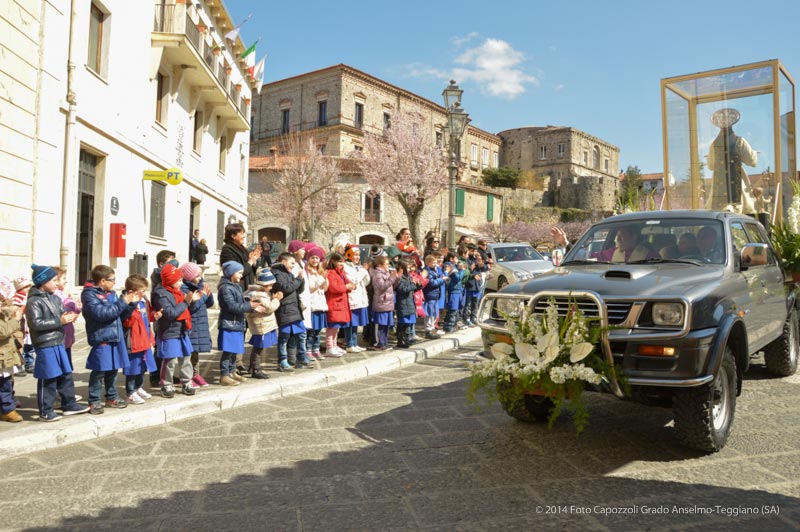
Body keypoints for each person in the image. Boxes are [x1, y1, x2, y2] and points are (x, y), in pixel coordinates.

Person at [26, 265, 89, 421]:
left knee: (65, 374)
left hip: (59, 341)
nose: (56, 283)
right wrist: (59, 321)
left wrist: (70, 316)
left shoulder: (54, 298)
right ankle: (45, 410)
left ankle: (69, 404)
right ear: (43, 282)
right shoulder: (33, 301)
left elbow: (60, 316)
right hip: (45, 343)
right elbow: (36, 323)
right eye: (53, 280)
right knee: (48, 377)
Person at [82, 264, 138, 415]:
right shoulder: (89, 295)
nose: (114, 283)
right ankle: (94, 400)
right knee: (100, 370)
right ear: (102, 281)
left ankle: (111, 396)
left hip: (115, 335)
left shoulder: (111, 293)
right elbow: (102, 314)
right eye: (112, 280)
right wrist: (122, 302)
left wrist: (130, 304)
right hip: (102, 336)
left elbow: (119, 315)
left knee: (113, 368)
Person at [153, 264, 199, 397]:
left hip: (182, 330)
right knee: (170, 360)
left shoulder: (179, 292)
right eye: (178, 280)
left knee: (186, 357)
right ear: (169, 281)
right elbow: (170, 313)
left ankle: (186, 381)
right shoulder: (161, 295)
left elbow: (186, 310)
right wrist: (186, 302)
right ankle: (166, 384)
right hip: (169, 331)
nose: (181, 282)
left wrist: (194, 301)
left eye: (181, 280)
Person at [217, 261, 262, 385]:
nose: (241, 275)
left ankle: (232, 371)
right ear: (231, 273)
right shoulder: (225, 288)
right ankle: (224, 374)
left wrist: (251, 304)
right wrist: (249, 305)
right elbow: (232, 306)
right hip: (229, 324)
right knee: (228, 351)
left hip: (237, 323)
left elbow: (240, 302)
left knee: (234, 350)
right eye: (239, 273)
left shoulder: (236, 286)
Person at [707, 108, 757, 214]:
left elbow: (711, 165)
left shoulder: (714, 144)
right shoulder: (740, 141)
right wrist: (755, 153)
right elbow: (752, 161)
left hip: (718, 188)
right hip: (737, 185)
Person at [121, 274, 159, 404]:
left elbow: (148, 317)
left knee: (143, 365)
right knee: (133, 367)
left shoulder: (144, 302)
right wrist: (132, 305)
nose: (144, 293)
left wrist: (155, 315)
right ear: (132, 292)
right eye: (142, 290)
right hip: (133, 339)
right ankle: (130, 391)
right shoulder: (126, 302)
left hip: (145, 338)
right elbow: (126, 322)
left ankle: (139, 387)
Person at [271, 252, 312, 371]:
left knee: (301, 334)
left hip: (294, 309)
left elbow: (297, 289)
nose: (293, 266)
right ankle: (283, 360)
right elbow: (286, 288)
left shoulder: (288, 273)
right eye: (292, 263)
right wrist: (298, 280)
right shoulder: (276, 273)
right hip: (285, 309)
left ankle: (301, 356)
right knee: (284, 337)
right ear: (283, 262)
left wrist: (301, 280)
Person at [179, 262, 213, 388]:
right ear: (188, 277)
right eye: (197, 276)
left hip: (201, 323)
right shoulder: (184, 289)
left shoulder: (199, 286)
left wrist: (208, 295)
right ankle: (186, 377)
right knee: (189, 352)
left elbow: (208, 304)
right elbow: (192, 308)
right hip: (191, 324)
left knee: (196, 353)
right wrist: (202, 296)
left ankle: (196, 374)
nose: (200, 278)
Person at [243, 269, 280, 379]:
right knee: (258, 348)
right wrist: (276, 300)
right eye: (270, 285)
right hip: (261, 324)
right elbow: (269, 308)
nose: (271, 288)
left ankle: (252, 366)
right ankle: (256, 369)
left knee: (257, 347)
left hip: (262, 323)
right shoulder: (260, 295)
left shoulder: (254, 292)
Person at [0, 276, 24, 422]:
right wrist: (15, 320)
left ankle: (7, 407)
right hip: (2, 355)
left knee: (7, 382)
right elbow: (2, 331)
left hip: (6, 353)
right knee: (4, 385)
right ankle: (8, 409)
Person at [325, 253, 353, 358]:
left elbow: (349, 283)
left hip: (341, 303)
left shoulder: (341, 273)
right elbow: (334, 288)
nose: (342, 263)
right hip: (334, 303)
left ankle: (334, 345)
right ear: (333, 262)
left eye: (343, 261)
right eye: (339, 261)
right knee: (331, 326)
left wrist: (350, 286)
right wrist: (346, 286)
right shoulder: (331, 273)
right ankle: (329, 347)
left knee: (336, 327)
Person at [343, 245, 370, 353]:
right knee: (350, 323)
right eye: (355, 255)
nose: (357, 257)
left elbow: (366, 282)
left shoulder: (358, 267)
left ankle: (354, 343)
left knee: (355, 323)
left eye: (358, 255)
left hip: (359, 298)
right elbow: (353, 281)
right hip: (351, 298)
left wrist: (364, 272)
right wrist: (363, 271)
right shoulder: (345, 267)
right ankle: (349, 343)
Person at [368, 255, 397, 351]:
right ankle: (379, 343)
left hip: (388, 303)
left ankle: (384, 342)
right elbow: (381, 286)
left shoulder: (386, 273)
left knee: (386, 325)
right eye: (387, 264)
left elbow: (392, 285)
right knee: (380, 324)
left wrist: (397, 277)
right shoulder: (377, 274)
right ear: (380, 265)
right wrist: (392, 278)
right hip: (381, 303)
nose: (388, 266)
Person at [219, 223, 260, 289]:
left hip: (248, 286)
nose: (244, 236)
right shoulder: (227, 250)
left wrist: (254, 260)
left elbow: (250, 269)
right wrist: (251, 261)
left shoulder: (243, 248)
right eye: (241, 233)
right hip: (237, 288)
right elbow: (235, 273)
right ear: (233, 236)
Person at [305, 246, 329, 361]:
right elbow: (310, 288)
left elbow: (324, 289)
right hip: (312, 304)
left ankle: (316, 349)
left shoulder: (320, 272)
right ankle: (308, 350)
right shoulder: (308, 272)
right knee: (311, 330)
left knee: (318, 330)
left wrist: (325, 280)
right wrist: (321, 280)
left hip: (321, 304)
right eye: (313, 258)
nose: (315, 260)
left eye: (317, 258)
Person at [394, 258, 423, 349]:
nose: (410, 269)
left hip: (410, 303)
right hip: (403, 304)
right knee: (402, 323)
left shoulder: (409, 277)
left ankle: (407, 339)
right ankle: (400, 340)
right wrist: (413, 284)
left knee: (408, 324)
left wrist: (418, 284)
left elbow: (412, 289)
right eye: (408, 267)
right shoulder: (400, 278)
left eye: (410, 267)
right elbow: (403, 289)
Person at [13, 276, 34, 375]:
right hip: (20, 326)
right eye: (26, 287)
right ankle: (18, 366)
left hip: (29, 326)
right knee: (19, 346)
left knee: (30, 346)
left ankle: (29, 363)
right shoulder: (16, 299)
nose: (28, 289)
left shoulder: (30, 297)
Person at [421, 255, 445, 339]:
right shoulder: (427, 271)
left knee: (434, 312)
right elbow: (431, 283)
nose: (435, 264)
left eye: (436, 262)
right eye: (433, 262)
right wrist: (441, 280)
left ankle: (432, 327)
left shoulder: (434, 270)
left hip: (435, 294)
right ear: (428, 263)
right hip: (429, 294)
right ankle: (428, 330)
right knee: (429, 312)